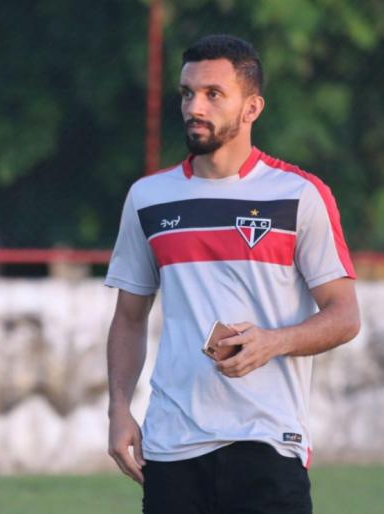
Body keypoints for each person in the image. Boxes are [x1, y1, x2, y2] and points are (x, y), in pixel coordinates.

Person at [105, 34, 360, 514]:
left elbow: (345, 316)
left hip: (268, 443)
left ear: (252, 108)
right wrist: (119, 408)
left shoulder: (299, 196)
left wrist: (273, 342)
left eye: (213, 94)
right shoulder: (148, 198)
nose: (194, 107)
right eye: (187, 93)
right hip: (172, 446)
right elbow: (129, 318)